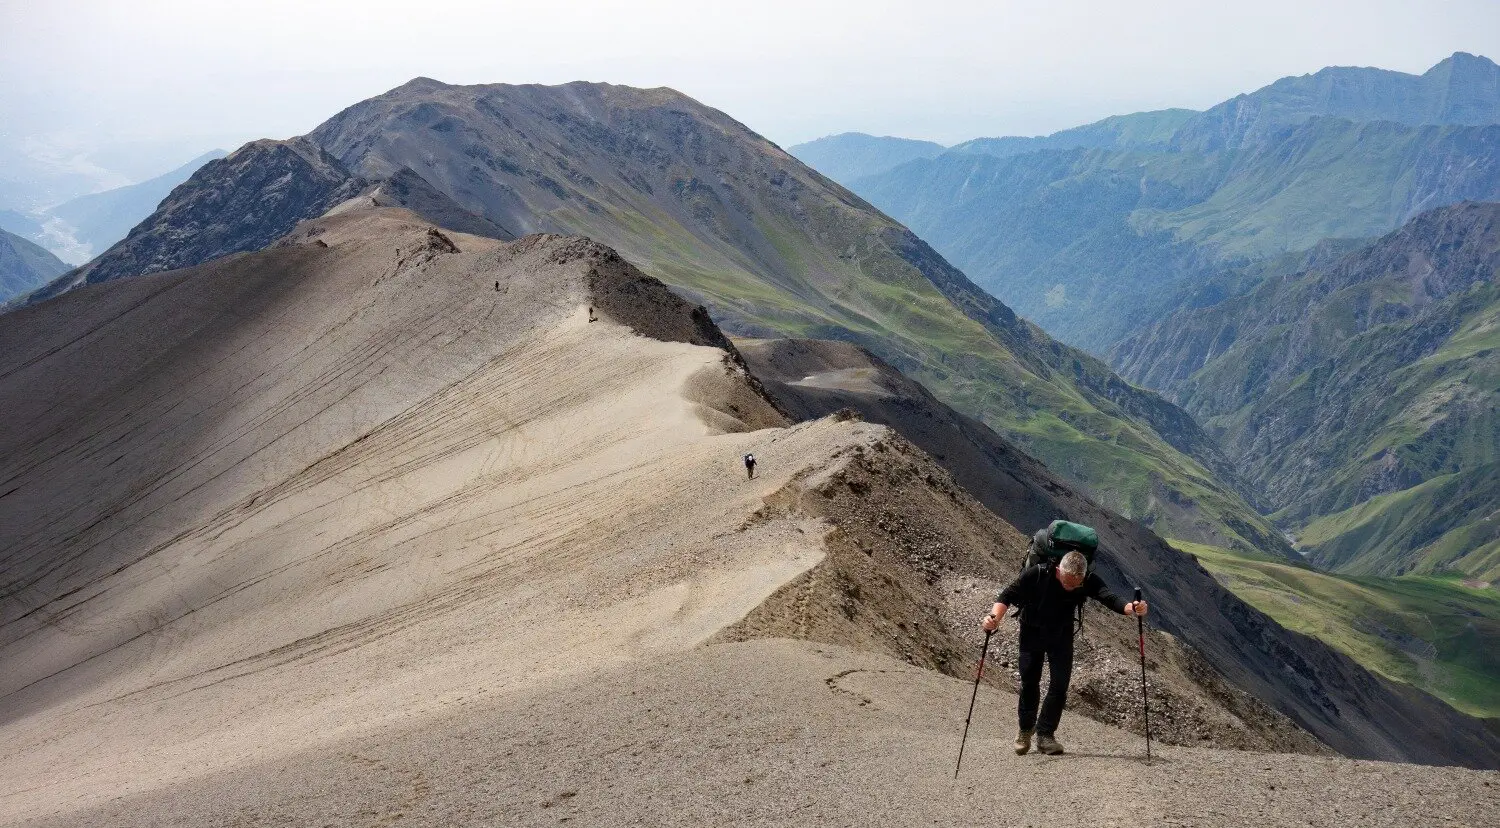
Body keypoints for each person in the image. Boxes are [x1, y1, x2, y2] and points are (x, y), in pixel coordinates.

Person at [980, 550, 1148, 756]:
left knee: (1060, 685)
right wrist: (994, 618)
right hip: (1032, 632)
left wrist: (1131, 607)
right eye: (1066, 582)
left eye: (1075, 585)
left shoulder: (1086, 580)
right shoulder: (1037, 574)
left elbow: (1108, 597)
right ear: (1059, 569)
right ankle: (1025, 730)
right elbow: (1007, 595)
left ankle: (1045, 735)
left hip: (1061, 635)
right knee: (1030, 681)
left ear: (1083, 577)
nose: (1070, 587)